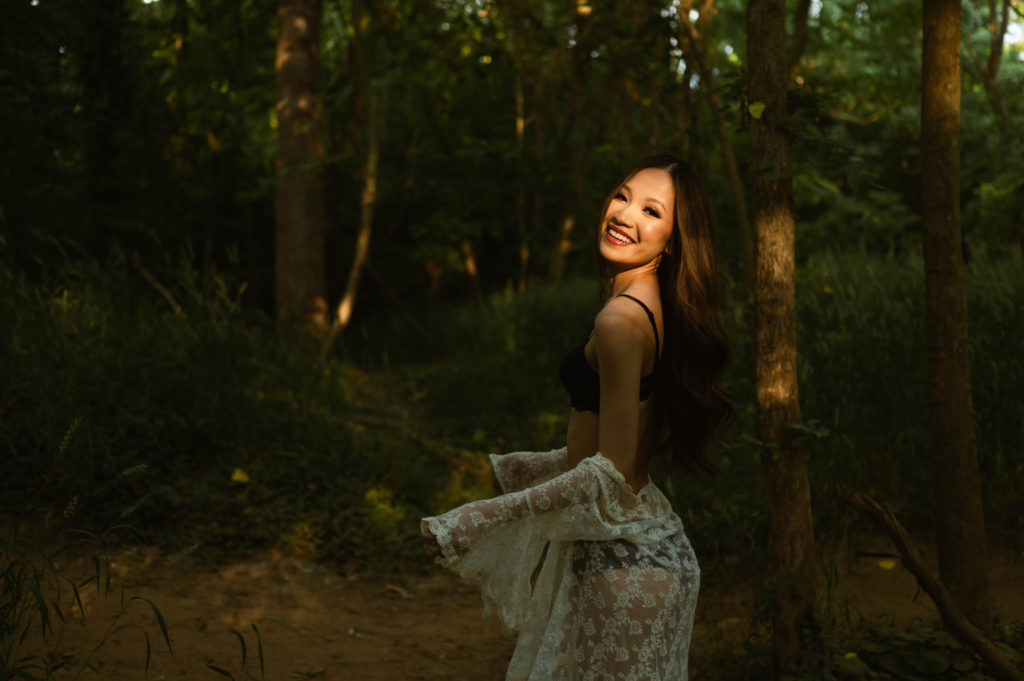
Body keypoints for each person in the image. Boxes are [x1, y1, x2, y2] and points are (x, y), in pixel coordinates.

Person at [420, 154, 732, 681]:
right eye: (622, 196)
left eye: (652, 211)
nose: (625, 214)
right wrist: (536, 465)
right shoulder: (650, 302)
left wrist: (481, 516)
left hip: (625, 562)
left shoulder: (621, 320)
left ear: (674, 239)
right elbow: (619, 453)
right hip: (634, 544)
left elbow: (607, 473)